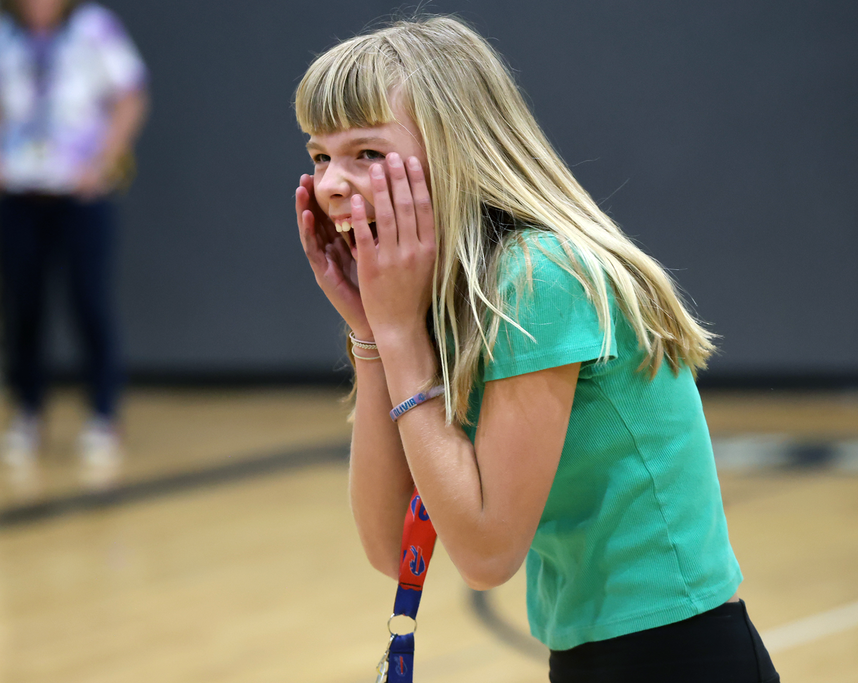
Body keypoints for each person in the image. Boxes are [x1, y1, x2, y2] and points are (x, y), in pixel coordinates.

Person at [293, 17, 778, 683]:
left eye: (367, 153)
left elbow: (487, 555)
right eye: (320, 156)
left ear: (457, 146)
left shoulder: (538, 276)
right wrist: (374, 333)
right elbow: (388, 547)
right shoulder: (443, 291)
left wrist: (399, 335)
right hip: (588, 656)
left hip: (677, 656)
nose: (330, 185)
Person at [0, 0, 148, 466]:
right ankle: (26, 412)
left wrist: (104, 161)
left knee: (89, 301)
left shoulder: (94, 28)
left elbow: (130, 95)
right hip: (18, 191)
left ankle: (104, 415)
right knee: (21, 304)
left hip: (79, 194)